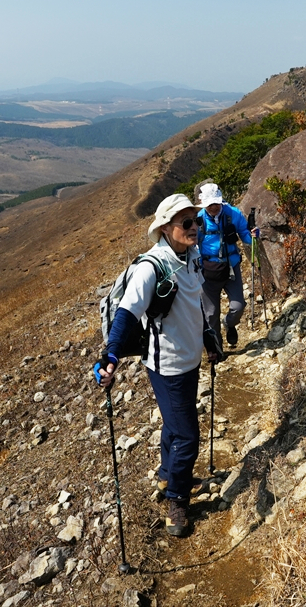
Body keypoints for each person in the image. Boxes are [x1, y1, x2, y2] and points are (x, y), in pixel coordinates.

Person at [95, 193, 222, 537]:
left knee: (175, 423)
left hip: (189, 358)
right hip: (167, 365)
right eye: (186, 222)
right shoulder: (152, 267)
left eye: (195, 221)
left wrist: (208, 336)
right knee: (187, 436)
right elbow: (127, 313)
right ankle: (177, 501)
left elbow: (195, 303)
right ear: (166, 228)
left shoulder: (191, 256)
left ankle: (168, 475)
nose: (194, 227)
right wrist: (111, 355)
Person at [195, 183, 257, 349]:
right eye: (209, 204)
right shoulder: (198, 220)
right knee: (210, 314)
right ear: (203, 203)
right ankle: (217, 349)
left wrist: (253, 236)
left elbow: (245, 234)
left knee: (238, 306)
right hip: (207, 270)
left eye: (216, 203)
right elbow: (192, 244)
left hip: (231, 267)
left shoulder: (233, 213)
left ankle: (229, 324)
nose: (213, 207)